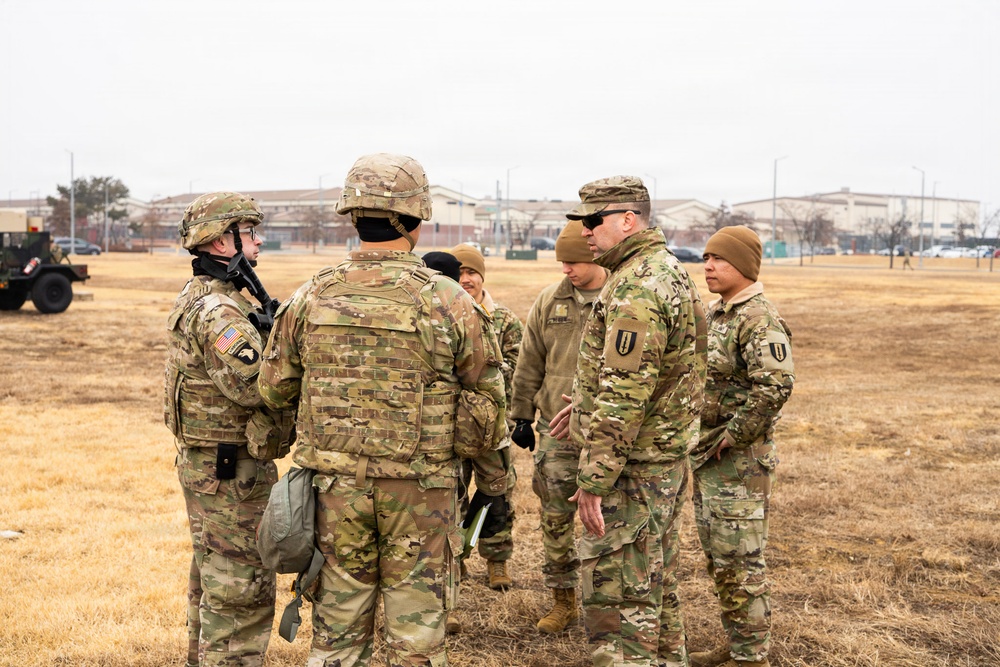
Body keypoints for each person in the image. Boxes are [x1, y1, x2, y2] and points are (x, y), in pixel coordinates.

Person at [257, 153, 509, 667]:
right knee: (416, 635)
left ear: (353, 217)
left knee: (337, 633)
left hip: (334, 491)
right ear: (415, 219)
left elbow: (275, 389)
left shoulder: (312, 294)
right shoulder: (450, 299)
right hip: (422, 491)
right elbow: (489, 405)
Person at [549, 175, 706, 667]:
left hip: (633, 470)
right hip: (657, 459)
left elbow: (626, 395)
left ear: (627, 220)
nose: (586, 232)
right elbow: (655, 375)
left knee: (619, 604)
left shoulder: (639, 286)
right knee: (655, 586)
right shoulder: (663, 271)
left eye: (593, 221)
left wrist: (594, 480)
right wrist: (587, 400)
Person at [164, 191, 293, 667]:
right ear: (221, 242)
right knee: (240, 594)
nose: (258, 242)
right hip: (230, 472)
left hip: (212, 467)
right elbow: (258, 387)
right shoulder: (219, 310)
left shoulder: (204, 296)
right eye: (249, 233)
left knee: (214, 583)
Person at [688, 227, 794, 667]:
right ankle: (738, 645)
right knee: (720, 558)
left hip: (739, 465)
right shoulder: (718, 315)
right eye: (706, 257)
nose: (707, 266)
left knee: (741, 561)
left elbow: (775, 386)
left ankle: (752, 657)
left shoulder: (759, 318)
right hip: (710, 457)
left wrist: (733, 436)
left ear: (745, 267)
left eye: (719, 259)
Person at [508, 219, 609, 634]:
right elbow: (530, 361)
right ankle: (562, 600)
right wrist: (521, 415)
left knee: (607, 524)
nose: (566, 269)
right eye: (561, 262)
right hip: (556, 432)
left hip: (605, 432)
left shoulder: (619, 298)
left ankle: (605, 603)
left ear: (595, 257)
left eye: (573, 262)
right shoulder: (550, 301)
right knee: (554, 520)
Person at [448, 242, 524, 592]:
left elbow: (518, 370)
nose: (465, 280)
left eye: (471, 273)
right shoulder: (444, 315)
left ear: (482, 276)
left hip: (494, 427)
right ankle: (454, 561)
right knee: (452, 495)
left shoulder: (505, 320)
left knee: (497, 496)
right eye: (460, 272)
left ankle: (497, 561)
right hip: (453, 428)